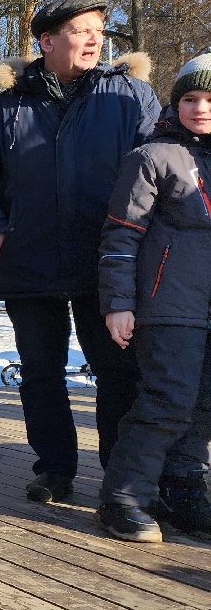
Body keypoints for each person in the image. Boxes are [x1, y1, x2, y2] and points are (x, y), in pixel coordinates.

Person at [0, 0, 160, 504]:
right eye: (80, 30)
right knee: (40, 372)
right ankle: (54, 468)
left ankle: (120, 474)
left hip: (107, 265)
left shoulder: (131, 98)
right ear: (46, 41)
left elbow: (158, 170)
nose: (94, 39)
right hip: (30, 261)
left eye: (98, 30)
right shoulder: (2, 110)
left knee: (117, 371)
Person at [96, 54, 211, 543]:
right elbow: (121, 237)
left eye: (210, 100)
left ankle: (186, 491)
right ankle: (124, 496)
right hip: (169, 308)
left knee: (205, 407)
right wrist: (117, 303)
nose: (200, 108)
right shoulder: (152, 158)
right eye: (191, 98)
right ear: (176, 103)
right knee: (167, 402)